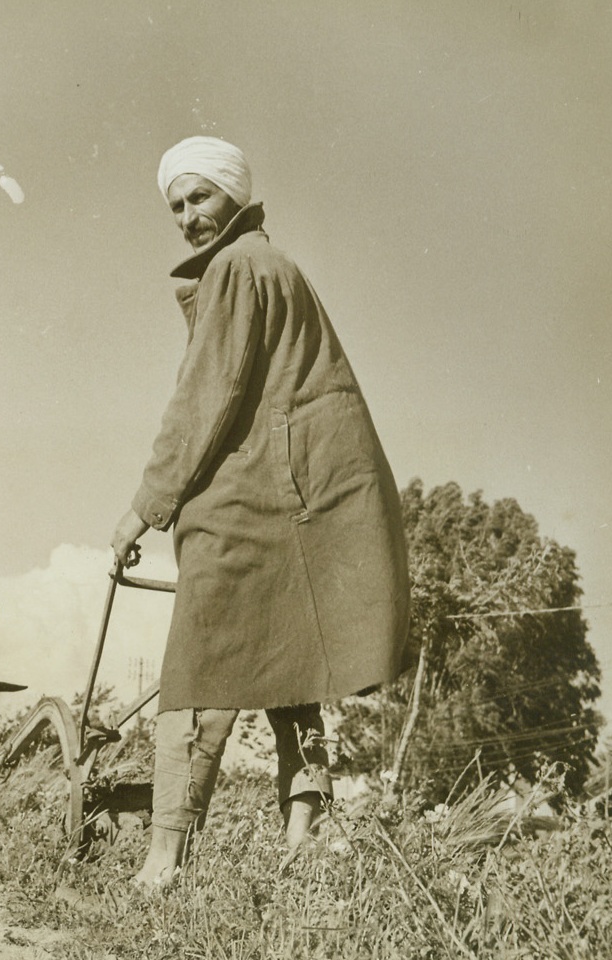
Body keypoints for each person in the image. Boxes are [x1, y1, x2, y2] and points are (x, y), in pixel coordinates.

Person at [111, 136, 410, 888]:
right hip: (293, 502)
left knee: (195, 675)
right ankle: (302, 846)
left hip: (250, 500)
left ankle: (162, 865)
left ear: (234, 196)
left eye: (201, 197)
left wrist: (143, 510)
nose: (188, 217)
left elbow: (204, 400)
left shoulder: (240, 267)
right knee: (292, 674)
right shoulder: (275, 266)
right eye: (176, 205)